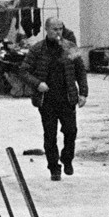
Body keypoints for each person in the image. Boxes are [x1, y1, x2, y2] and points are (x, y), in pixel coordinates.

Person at [24, 17, 87, 181]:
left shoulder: (70, 47)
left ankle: (67, 158)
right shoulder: (37, 49)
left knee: (71, 131)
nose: (58, 32)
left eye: (60, 29)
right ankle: (54, 167)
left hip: (67, 97)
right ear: (47, 30)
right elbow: (23, 71)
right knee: (50, 135)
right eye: (54, 29)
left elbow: (80, 70)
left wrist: (83, 93)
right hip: (47, 100)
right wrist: (37, 84)